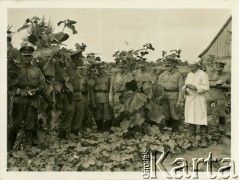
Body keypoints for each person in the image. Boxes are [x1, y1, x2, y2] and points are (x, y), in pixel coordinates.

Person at [8, 44, 45, 150]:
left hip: (32, 100)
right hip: (19, 100)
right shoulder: (15, 70)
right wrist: (19, 91)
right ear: (21, 56)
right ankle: (8, 147)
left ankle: (28, 147)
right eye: (25, 55)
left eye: (29, 56)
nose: (27, 58)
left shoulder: (37, 70)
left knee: (31, 124)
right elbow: (8, 85)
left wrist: (36, 90)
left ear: (32, 56)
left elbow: (43, 85)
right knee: (15, 124)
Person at [59, 49, 88, 139]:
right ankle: (62, 137)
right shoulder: (66, 68)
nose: (82, 61)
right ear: (75, 59)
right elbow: (61, 81)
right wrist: (66, 91)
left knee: (79, 114)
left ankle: (74, 134)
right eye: (80, 59)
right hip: (69, 96)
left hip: (78, 95)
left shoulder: (77, 69)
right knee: (69, 114)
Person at [182, 60, 209, 148]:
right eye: (189, 67)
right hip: (190, 98)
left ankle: (204, 139)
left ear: (197, 66)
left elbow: (206, 87)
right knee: (190, 117)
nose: (191, 69)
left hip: (199, 98)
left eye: (192, 67)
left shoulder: (203, 74)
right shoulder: (189, 75)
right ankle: (192, 138)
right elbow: (185, 85)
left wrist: (196, 87)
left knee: (201, 117)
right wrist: (185, 90)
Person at [157, 57, 184, 131]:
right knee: (166, 113)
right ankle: (168, 127)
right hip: (164, 96)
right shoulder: (162, 75)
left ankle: (175, 128)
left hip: (174, 96)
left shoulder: (178, 75)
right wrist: (159, 98)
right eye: (166, 66)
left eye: (168, 65)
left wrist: (179, 100)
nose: (167, 67)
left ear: (173, 66)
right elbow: (158, 88)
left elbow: (181, 89)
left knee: (174, 113)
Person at [109, 59, 134, 126]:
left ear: (124, 67)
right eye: (119, 67)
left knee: (126, 113)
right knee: (117, 114)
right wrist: (110, 100)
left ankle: (125, 129)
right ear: (117, 67)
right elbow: (111, 89)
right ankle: (117, 129)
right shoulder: (114, 77)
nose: (121, 69)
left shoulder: (128, 76)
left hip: (126, 97)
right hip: (117, 97)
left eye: (122, 67)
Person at [93, 62, 112, 132]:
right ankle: (99, 128)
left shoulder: (107, 77)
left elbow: (110, 87)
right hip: (97, 97)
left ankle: (107, 128)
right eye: (101, 69)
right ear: (98, 69)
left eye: (103, 68)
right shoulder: (94, 77)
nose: (102, 70)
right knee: (98, 113)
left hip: (106, 97)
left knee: (107, 113)